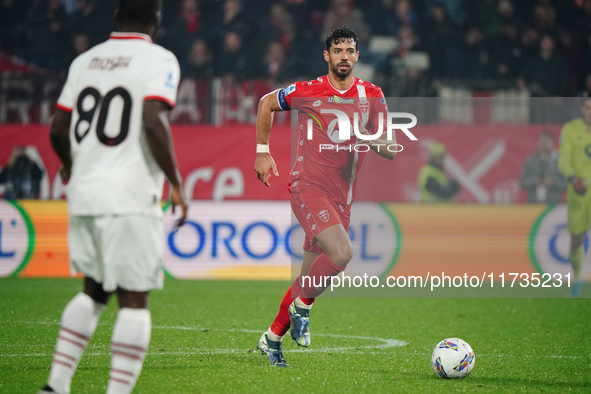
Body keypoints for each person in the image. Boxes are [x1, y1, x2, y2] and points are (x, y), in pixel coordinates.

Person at [41, 1, 188, 393]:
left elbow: (57, 129)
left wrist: (73, 164)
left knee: (94, 290)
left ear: (116, 17)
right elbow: (153, 121)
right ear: (156, 18)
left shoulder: (85, 61)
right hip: (130, 194)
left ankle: (55, 386)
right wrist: (175, 182)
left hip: (86, 192)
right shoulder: (159, 59)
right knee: (134, 298)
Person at [254, 26, 397, 367]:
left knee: (309, 277)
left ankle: (271, 338)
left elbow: (391, 148)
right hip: (308, 187)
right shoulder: (309, 90)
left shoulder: (372, 95)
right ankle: (302, 308)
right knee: (342, 252)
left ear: (357, 56)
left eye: (350, 50)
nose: (344, 56)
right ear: (327, 56)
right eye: (338, 50)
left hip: (340, 198)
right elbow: (266, 104)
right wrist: (262, 151)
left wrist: (366, 134)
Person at [558, 96, 591, 297]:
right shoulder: (570, 129)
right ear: (581, 109)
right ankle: (577, 278)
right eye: (587, 107)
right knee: (576, 239)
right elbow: (563, 159)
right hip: (579, 191)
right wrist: (572, 178)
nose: (590, 111)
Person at [520, 131, 567, 204]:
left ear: (552, 143)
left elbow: (566, 183)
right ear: (537, 143)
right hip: (533, 203)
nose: (544, 144)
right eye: (542, 141)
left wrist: (553, 183)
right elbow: (522, 182)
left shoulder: (559, 161)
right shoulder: (530, 161)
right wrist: (534, 181)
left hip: (553, 204)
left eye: (547, 142)